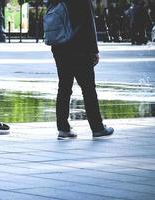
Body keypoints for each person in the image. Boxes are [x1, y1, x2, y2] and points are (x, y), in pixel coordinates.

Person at [49, 0, 114, 139]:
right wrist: (94, 50)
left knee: (64, 87)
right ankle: (97, 127)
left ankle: (63, 128)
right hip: (79, 48)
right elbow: (89, 24)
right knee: (89, 89)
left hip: (59, 46)